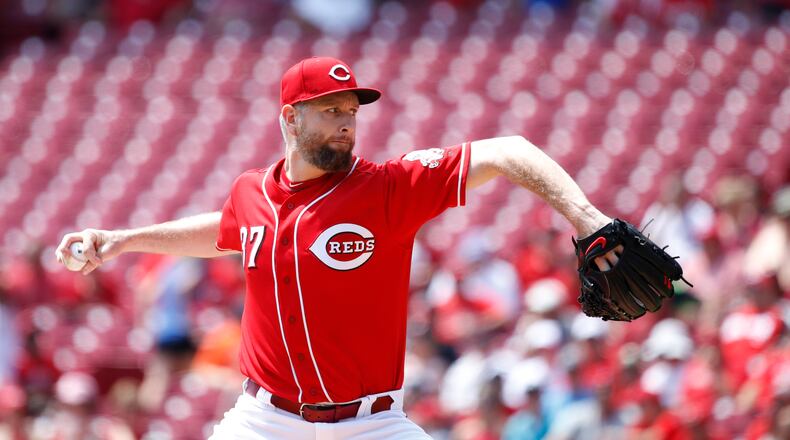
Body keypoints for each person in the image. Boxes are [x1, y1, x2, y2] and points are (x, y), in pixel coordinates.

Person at [56, 56, 619, 439]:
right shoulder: (252, 192)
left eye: (351, 111)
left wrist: (587, 217)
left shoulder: (387, 189)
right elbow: (226, 231)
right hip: (265, 421)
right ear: (289, 117)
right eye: (330, 110)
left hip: (371, 424)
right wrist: (122, 241)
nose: (346, 123)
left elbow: (509, 150)